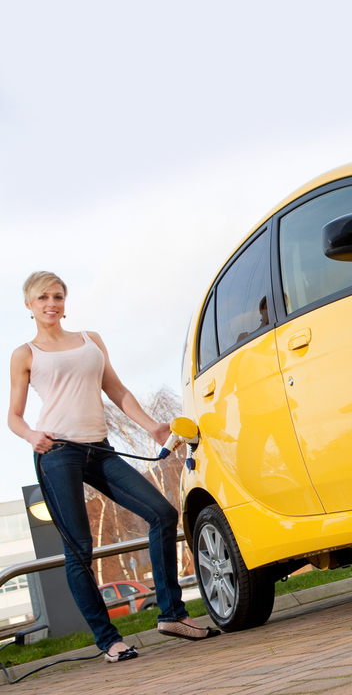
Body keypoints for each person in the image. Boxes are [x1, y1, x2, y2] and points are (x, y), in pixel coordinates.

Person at [7, 271, 218, 663]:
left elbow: (116, 389)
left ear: (65, 302)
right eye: (43, 298)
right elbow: (14, 417)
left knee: (162, 513)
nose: (51, 304)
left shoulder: (91, 341)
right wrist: (32, 435)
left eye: (57, 296)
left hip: (100, 450)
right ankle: (109, 641)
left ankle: (172, 615)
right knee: (79, 550)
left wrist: (152, 427)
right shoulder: (25, 354)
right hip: (57, 454)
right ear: (29, 305)